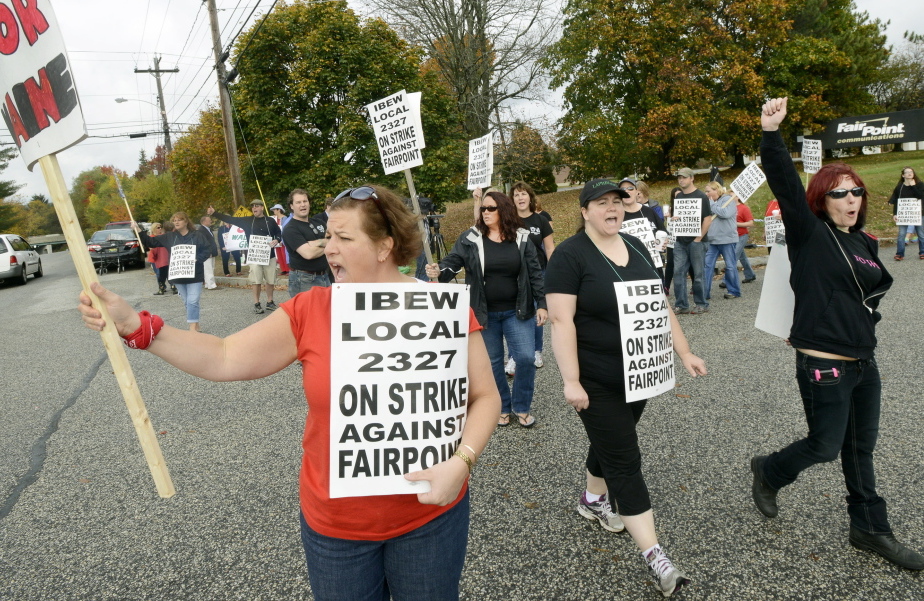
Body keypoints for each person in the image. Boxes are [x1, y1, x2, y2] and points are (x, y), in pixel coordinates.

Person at [79, 184, 501, 600]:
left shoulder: (440, 308)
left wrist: (462, 462)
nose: (327, 247)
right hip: (337, 529)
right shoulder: (311, 309)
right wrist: (139, 327)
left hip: (431, 517)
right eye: (328, 235)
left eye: (343, 238)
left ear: (384, 246)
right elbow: (225, 356)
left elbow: (485, 397)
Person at [750, 97, 924, 571]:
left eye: (857, 192)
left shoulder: (865, 241)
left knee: (859, 448)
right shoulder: (810, 232)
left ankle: (870, 527)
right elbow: (785, 181)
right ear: (822, 200)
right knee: (825, 445)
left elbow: (865, 297)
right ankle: (768, 470)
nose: (851, 200)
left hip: (864, 363)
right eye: (840, 193)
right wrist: (771, 132)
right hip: (824, 362)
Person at [546, 178, 707, 597]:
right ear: (584, 211)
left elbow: (660, 303)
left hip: (639, 374)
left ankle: (591, 500)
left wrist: (683, 351)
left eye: (617, 201)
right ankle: (656, 557)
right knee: (624, 459)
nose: (612, 208)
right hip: (595, 380)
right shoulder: (569, 255)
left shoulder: (635, 245)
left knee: (611, 440)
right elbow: (562, 321)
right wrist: (570, 380)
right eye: (602, 203)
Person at [426, 191, 547, 428]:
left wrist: (542, 303)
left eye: (491, 208)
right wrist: (439, 271)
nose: (485, 212)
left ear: (504, 210)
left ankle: (521, 406)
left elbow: (535, 273)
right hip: (483, 313)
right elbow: (453, 262)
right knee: (492, 363)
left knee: (524, 358)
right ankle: (502, 406)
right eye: (483, 209)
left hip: (517, 311)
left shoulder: (522, 238)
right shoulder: (470, 238)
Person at [137, 212, 212, 332]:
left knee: (193, 300)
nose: (176, 222)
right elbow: (150, 242)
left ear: (186, 221)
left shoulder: (197, 235)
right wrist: (138, 230)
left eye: (179, 220)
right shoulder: (169, 237)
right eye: (174, 220)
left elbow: (208, 249)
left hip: (194, 274)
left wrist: (197, 258)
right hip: (178, 275)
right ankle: (196, 324)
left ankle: (192, 328)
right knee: (188, 302)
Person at [208, 200, 282, 314]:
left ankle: (270, 302)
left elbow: (278, 232)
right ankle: (257, 303)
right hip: (254, 256)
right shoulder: (247, 221)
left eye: (257, 206)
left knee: (270, 280)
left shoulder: (270, 221)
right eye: (252, 206)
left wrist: (277, 239)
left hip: (270, 255)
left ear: (262, 207)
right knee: (256, 280)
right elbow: (230, 219)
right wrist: (214, 213)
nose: (254, 208)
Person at [510, 180, 554, 372]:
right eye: (517, 194)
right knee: (514, 314)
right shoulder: (508, 220)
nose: (520, 197)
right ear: (512, 199)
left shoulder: (540, 220)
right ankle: (513, 356)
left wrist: (554, 273)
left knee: (538, 312)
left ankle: (536, 351)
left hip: (539, 273)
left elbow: (550, 247)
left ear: (530, 197)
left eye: (523, 193)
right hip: (514, 274)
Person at [670, 168, 712, 314]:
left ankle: (702, 303)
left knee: (698, 274)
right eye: (679, 177)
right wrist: (673, 219)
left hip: (697, 241)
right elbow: (678, 217)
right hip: (680, 241)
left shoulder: (701, 196)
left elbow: (707, 219)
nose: (681, 180)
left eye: (684, 177)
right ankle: (681, 304)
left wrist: (698, 238)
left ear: (692, 178)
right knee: (678, 273)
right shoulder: (679, 197)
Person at [282, 188, 331, 296]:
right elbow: (308, 254)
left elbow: (335, 241)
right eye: (298, 202)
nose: (302, 205)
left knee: (326, 311)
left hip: (325, 276)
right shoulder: (290, 229)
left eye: (305, 201)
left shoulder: (319, 222)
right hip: (304, 280)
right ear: (291, 206)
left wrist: (316, 243)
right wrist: (327, 242)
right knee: (306, 313)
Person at [702, 182, 741, 300]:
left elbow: (725, 213)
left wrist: (712, 204)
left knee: (730, 266)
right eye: (706, 191)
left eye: (708, 191)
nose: (707, 194)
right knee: (707, 266)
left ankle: (734, 291)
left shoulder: (728, 200)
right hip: (712, 240)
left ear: (716, 190)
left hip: (727, 239)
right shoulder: (709, 203)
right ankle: (705, 292)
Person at [887, 167, 924, 261]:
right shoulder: (900, 186)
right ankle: (900, 254)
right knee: (901, 234)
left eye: (911, 172)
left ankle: (922, 252)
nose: (909, 173)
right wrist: (895, 214)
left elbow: (920, 196)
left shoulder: (920, 184)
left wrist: (913, 186)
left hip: (919, 214)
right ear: (903, 175)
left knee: (921, 234)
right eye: (907, 172)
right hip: (903, 215)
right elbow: (896, 200)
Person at [721, 195, 757, 290]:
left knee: (733, 257)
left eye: (731, 195)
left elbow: (750, 223)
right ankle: (750, 275)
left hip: (741, 235)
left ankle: (726, 280)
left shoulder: (743, 208)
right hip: (731, 236)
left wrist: (736, 223)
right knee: (742, 256)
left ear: (737, 197)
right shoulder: (727, 208)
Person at [145, 223, 170, 296]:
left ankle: (172, 286)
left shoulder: (163, 237)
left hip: (164, 257)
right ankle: (162, 287)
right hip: (156, 258)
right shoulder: (152, 237)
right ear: (154, 229)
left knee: (167, 272)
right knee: (159, 273)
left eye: (160, 227)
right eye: (158, 228)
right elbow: (150, 247)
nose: (160, 229)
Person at [198, 215, 219, 290]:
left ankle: (207, 283)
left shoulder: (208, 229)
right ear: (204, 221)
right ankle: (211, 285)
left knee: (211, 268)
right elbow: (203, 242)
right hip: (207, 253)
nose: (211, 221)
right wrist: (207, 252)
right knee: (208, 269)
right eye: (209, 220)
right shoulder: (201, 230)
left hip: (211, 252)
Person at [270, 203, 291, 274]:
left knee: (284, 254)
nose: (273, 211)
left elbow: (285, 229)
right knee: (279, 254)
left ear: (279, 210)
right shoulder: (274, 219)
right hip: (276, 239)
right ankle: (283, 269)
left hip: (282, 239)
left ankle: (288, 269)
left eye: (274, 210)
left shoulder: (284, 218)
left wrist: (282, 239)